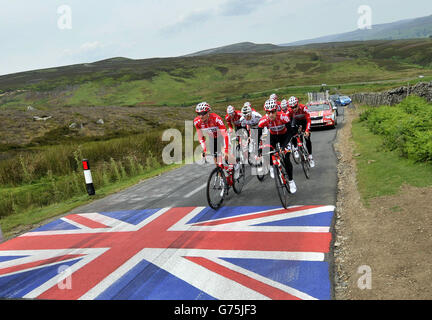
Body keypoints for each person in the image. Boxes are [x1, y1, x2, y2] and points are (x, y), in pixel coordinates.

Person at [257, 99, 297, 193]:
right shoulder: (263, 120)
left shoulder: (283, 117)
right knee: (267, 151)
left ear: (276, 110)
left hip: (285, 136)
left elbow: (290, 133)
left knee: (286, 158)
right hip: (273, 136)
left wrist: (284, 147)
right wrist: (258, 150)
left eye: (273, 112)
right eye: (268, 112)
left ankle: (291, 181)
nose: (271, 114)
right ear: (266, 112)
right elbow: (257, 136)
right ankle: (272, 166)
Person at [287, 96, 315, 168]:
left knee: (307, 138)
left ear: (298, 104)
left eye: (295, 106)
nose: (294, 109)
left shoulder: (303, 108)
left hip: (304, 121)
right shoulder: (289, 111)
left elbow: (308, 120)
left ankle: (310, 157)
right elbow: (286, 121)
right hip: (296, 121)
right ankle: (296, 148)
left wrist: (307, 130)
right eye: (292, 107)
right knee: (292, 132)